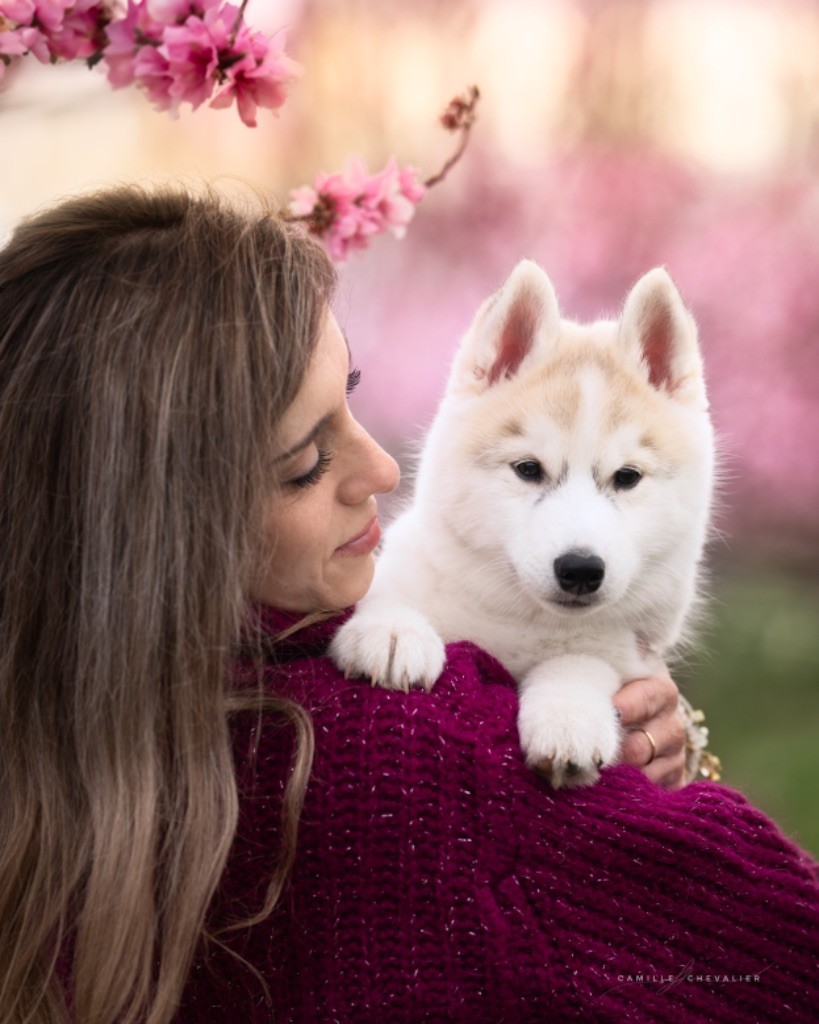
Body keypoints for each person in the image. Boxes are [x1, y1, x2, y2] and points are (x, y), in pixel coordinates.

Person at [0, 185, 815, 1024]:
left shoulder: (44, 747)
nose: (384, 471)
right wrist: (675, 794)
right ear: (172, 517)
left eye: (349, 398)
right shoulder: (446, 766)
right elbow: (780, 968)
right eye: (305, 461)